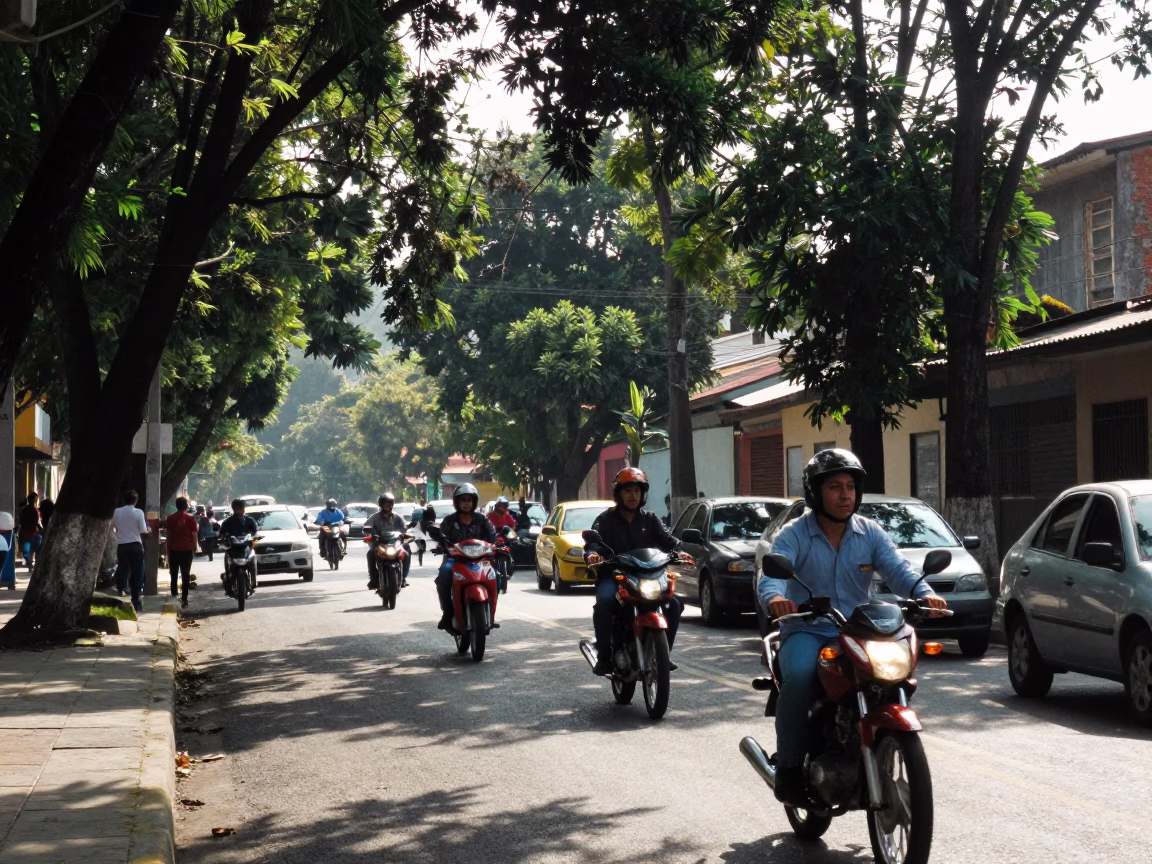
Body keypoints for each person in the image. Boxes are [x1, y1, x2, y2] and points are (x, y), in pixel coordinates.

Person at [757, 449, 949, 807]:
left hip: (860, 631)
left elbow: (899, 571)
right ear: (816, 493)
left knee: (891, 679)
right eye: (835, 487)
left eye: (850, 487)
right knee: (798, 677)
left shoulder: (870, 533)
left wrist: (926, 594)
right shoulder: (795, 534)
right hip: (807, 629)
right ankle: (788, 770)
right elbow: (771, 575)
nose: (846, 495)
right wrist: (775, 600)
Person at [583, 467, 684, 675]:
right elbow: (592, 544)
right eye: (628, 491)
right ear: (619, 494)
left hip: (648, 576)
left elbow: (668, 540)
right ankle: (604, 656)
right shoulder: (605, 519)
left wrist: (680, 552)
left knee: (674, 604)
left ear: (643, 494)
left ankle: (664, 654)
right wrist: (593, 554)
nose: (633, 496)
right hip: (616, 575)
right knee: (604, 602)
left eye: (637, 491)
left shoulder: (650, 519)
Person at [423, 484, 498, 631]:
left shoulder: (482, 520)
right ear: (457, 502)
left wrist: (498, 545)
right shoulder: (449, 521)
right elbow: (441, 536)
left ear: (474, 501)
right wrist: (441, 545)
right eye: (463, 500)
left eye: (469, 500)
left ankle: (491, 610)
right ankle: (447, 613)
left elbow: (492, 537)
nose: (466, 503)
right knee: (444, 573)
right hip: (455, 559)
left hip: (480, 560)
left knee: (497, 573)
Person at [112, 490, 150, 612]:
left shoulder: (117, 511)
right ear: (136, 501)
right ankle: (136, 600)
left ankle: (121, 587)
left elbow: (113, 526)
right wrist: (150, 531)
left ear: (124, 500)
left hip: (122, 545)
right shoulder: (138, 512)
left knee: (123, 567)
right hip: (135, 545)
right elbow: (143, 531)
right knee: (137, 572)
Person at [365, 493, 411, 590]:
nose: (389, 505)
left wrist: (406, 534)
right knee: (370, 553)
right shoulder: (375, 517)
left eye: (390, 503)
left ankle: (403, 578)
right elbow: (365, 527)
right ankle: (373, 579)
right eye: (386, 503)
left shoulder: (398, 517)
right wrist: (370, 533)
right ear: (381, 504)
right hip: (379, 543)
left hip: (395, 543)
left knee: (406, 551)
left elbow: (404, 529)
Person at [218, 499, 259, 596]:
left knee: (253, 559)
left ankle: (254, 581)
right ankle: (228, 583)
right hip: (232, 549)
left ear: (244, 509)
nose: (238, 511)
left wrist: (255, 536)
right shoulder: (227, 522)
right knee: (227, 562)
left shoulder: (250, 520)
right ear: (233, 509)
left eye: (240, 508)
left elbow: (255, 531)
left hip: (246, 548)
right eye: (236, 509)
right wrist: (222, 538)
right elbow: (222, 534)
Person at [165, 497, 199, 607]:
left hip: (173, 549)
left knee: (173, 573)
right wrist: (195, 547)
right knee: (185, 573)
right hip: (187, 549)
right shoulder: (190, 519)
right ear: (186, 506)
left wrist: (167, 549)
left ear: (176, 505)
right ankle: (184, 598)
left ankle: (174, 594)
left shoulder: (170, 518)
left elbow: (168, 534)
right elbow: (194, 534)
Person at [18, 493, 42, 569]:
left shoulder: (26, 510)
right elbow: (36, 522)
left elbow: (21, 522)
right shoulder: (33, 510)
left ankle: (30, 566)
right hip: (31, 534)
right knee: (33, 551)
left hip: (28, 535)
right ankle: (32, 566)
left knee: (27, 552)